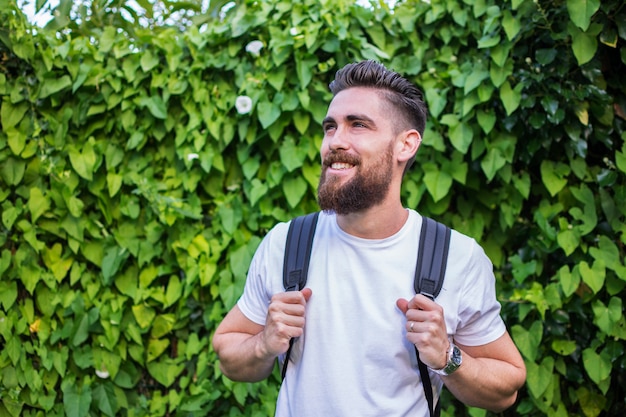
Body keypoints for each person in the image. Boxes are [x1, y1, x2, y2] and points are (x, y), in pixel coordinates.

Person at [212, 60, 526, 416]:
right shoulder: (286, 243)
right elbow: (229, 356)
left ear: (406, 145)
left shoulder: (456, 257)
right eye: (330, 127)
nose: (335, 141)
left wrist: (447, 356)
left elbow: (506, 389)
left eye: (357, 125)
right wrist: (263, 344)